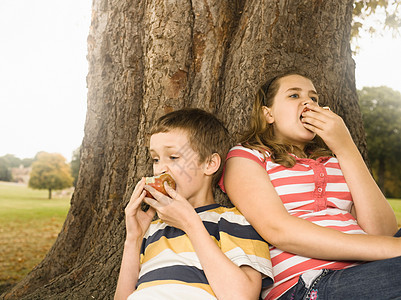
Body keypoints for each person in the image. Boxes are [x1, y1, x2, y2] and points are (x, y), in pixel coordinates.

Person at [219, 72, 401, 299]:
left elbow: (383, 232)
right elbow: (279, 231)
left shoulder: (337, 161)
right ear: (268, 114)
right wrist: (393, 250)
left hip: (372, 272)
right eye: (294, 95)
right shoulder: (247, 156)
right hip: (308, 284)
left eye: (314, 99)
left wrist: (345, 147)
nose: (308, 103)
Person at [114, 108, 273, 300]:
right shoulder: (152, 230)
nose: (160, 169)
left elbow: (241, 296)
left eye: (173, 157)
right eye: (155, 159)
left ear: (209, 164)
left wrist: (191, 224)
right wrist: (134, 238)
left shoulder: (234, 220)